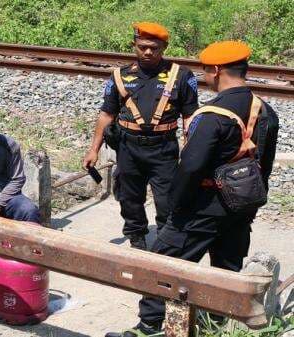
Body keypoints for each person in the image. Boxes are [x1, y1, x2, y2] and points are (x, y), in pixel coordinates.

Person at [106, 40, 279, 337]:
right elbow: (265, 164)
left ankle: (149, 327)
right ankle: (215, 323)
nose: (205, 78)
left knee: (162, 268)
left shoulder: (212, 115)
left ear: (216, 70)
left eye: (206, 72)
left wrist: (176, 208)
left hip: (201, 209)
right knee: (226, 270)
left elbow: (190, 167)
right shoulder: (265, 111)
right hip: (240, 207)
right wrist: (250, 205)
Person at [82, 22, 199, 249]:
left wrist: (191, 151)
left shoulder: (181, 76)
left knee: (168, 199)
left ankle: (166, 241)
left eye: (154, 47)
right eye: (142, 46)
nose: (148, 52)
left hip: (164, 149)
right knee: (129, 197)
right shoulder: (120, 76)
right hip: (128, 147)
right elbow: (106, 114)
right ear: (134, 45)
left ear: (164, 47)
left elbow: (190, 117)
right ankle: (137, 238)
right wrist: (93, 149)